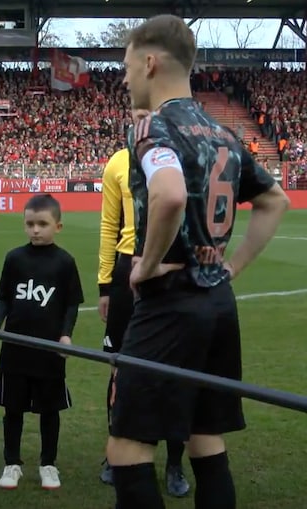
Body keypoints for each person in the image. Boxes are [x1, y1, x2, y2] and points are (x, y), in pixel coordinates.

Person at [108, 14, 289, 509]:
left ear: (149, 62)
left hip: (170, 302)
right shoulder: (225, 133)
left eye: (125, 66)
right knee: (206, 438)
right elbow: (276, 200)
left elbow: (167, 196)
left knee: (126, 445)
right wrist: (230, 267)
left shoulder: (152, 128)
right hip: (218, 301)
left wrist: (143, 265)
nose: (123, 78)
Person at [96, 145, 190, 497]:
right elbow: (109, 224)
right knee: (120, 368)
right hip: (127, 271)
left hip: (172, 270)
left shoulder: (185, 157)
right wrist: (105, 283)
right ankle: (115, 454)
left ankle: (175, 462)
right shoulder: (118, 162)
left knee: (176, 370)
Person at [0, 194, 84, 492]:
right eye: (30, 224)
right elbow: (4, 298)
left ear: (58, 226)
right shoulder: (14, 258)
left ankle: (48, 464)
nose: (35, 230)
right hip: (14, 350)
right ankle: (12, 463)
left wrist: (66, 335)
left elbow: (71, 305)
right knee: (12, 409)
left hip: (49, 352)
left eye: (42, 224)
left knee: (49, 411)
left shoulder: (65, 262)